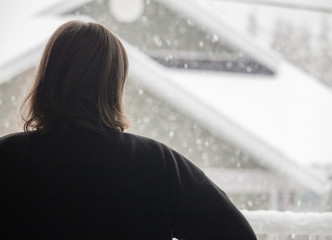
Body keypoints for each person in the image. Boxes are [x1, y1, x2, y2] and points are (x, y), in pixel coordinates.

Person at [0, 21, 257, 240]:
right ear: (114, 86)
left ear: (47, 80)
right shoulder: (156, 163)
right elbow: (236, 235)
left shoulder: (8, 158)